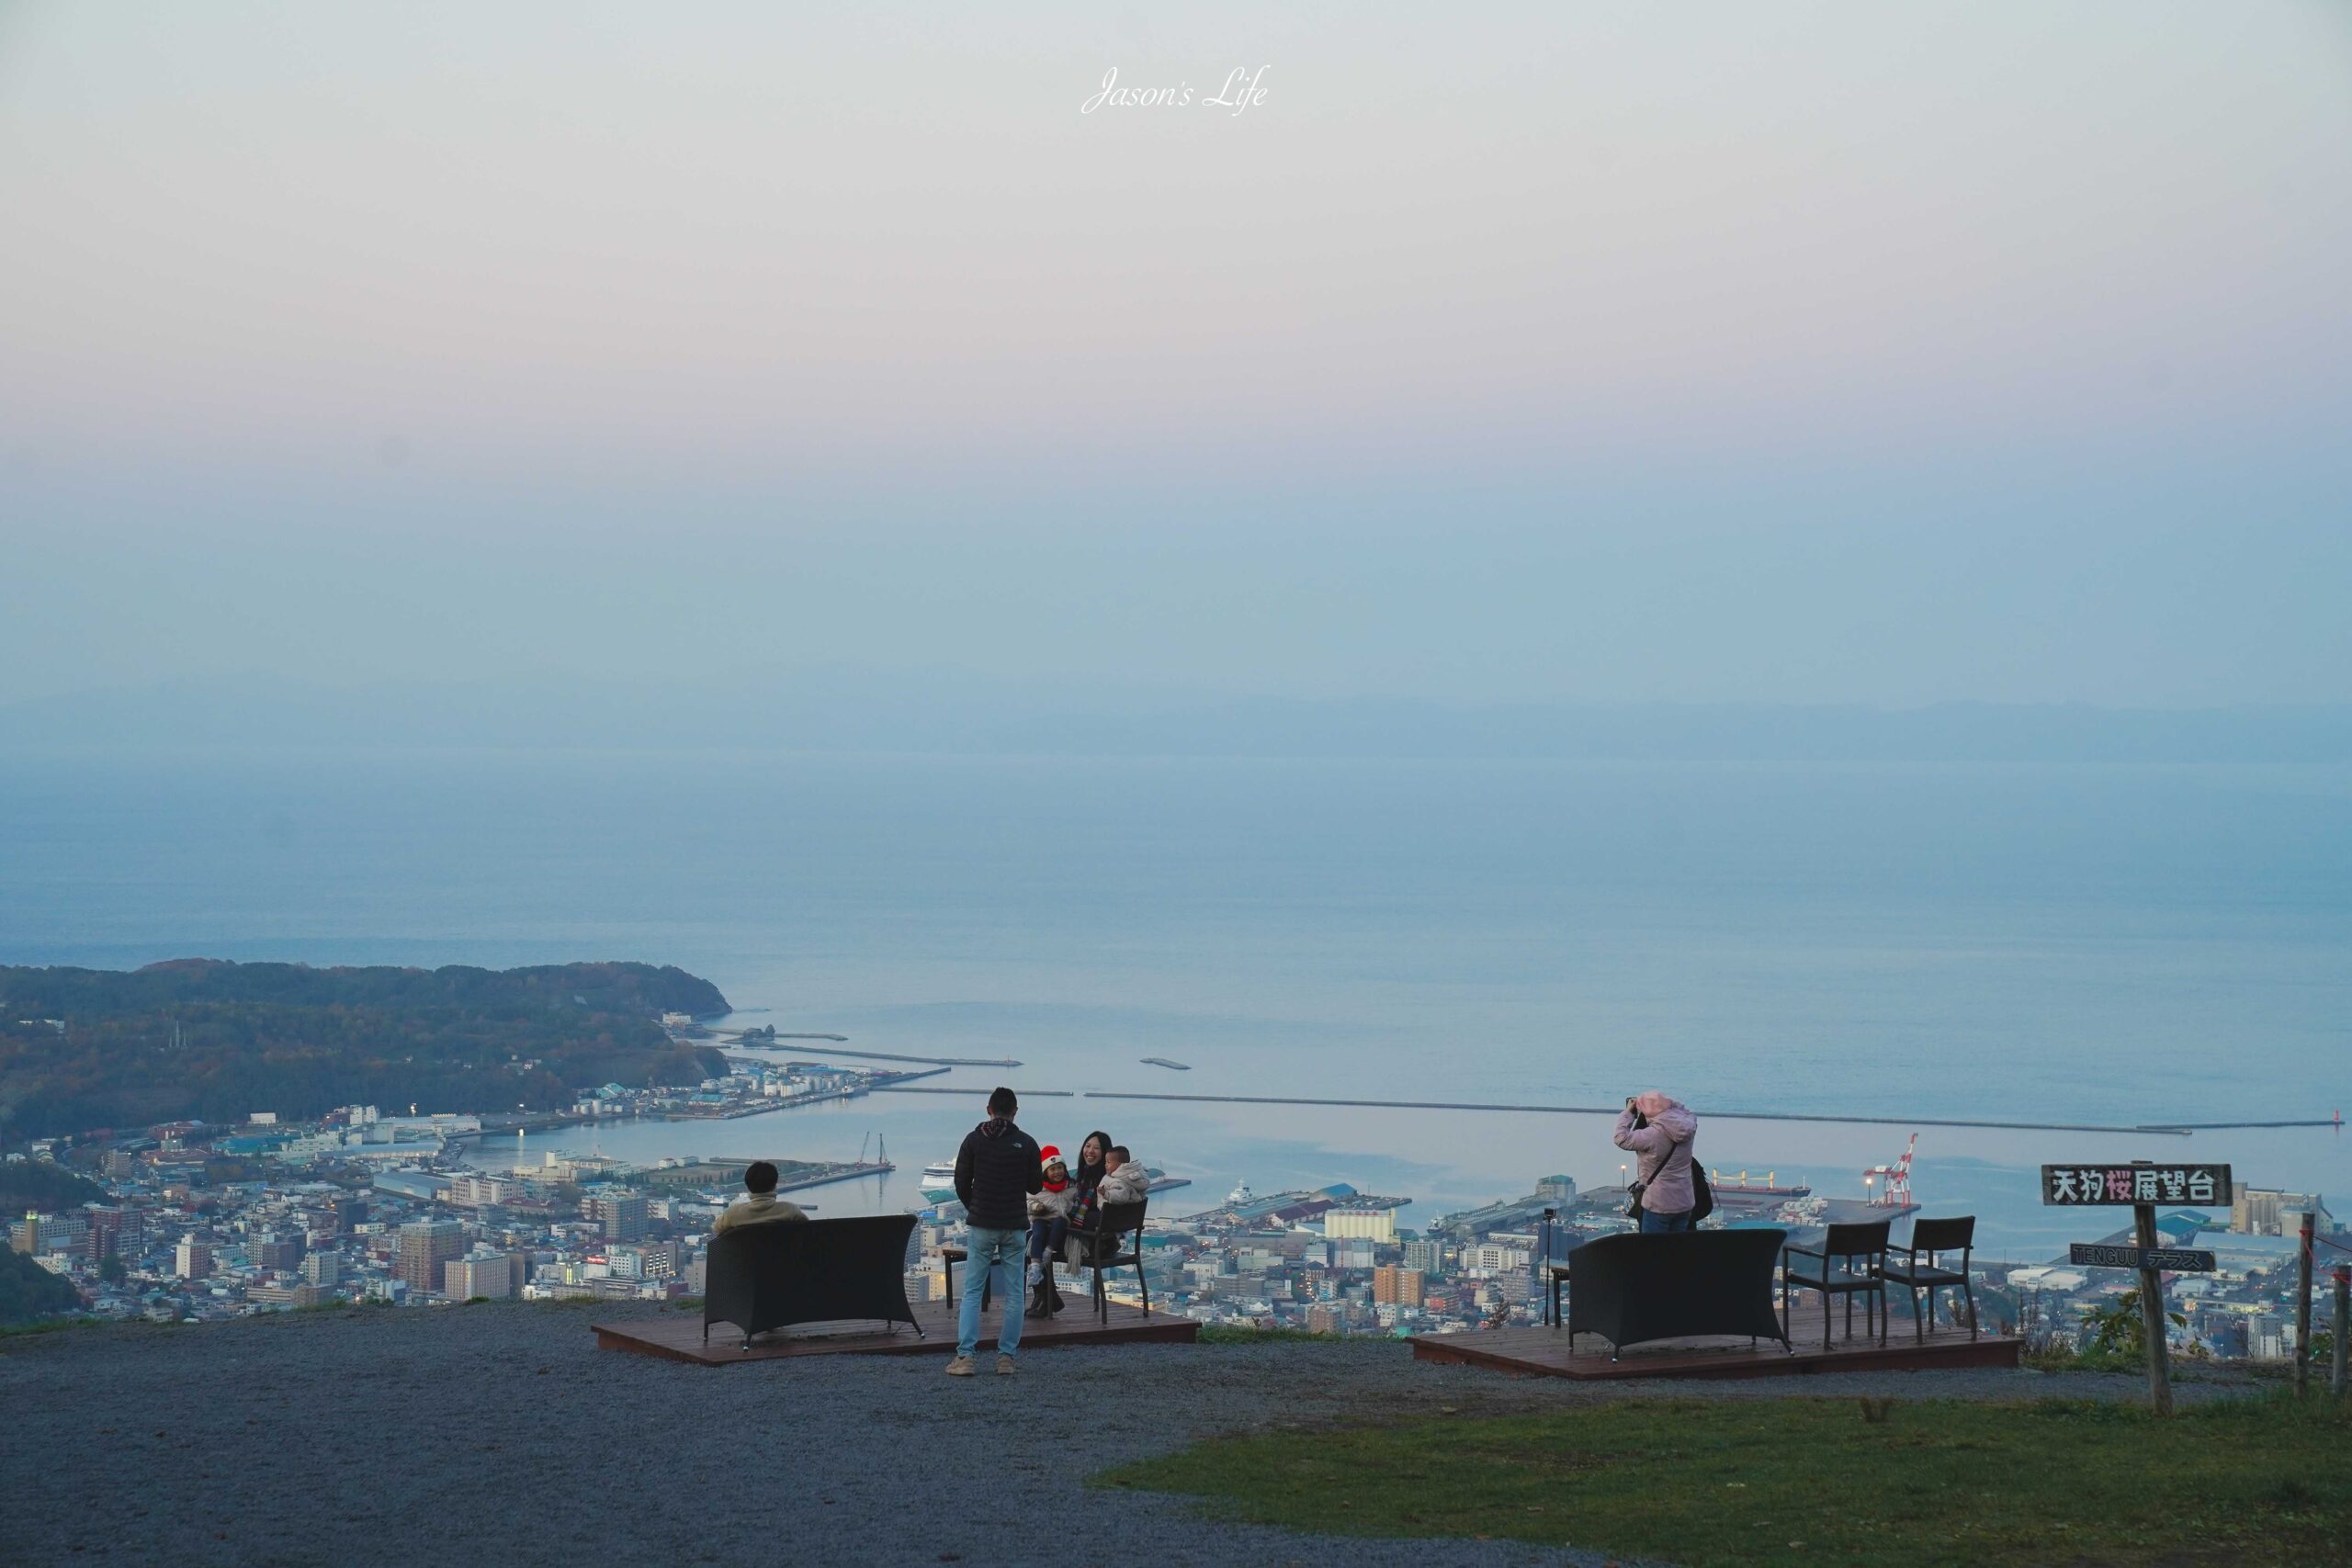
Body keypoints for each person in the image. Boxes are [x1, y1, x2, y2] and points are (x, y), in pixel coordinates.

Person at [948, 1086, 1042, 1377]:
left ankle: (965, 1358)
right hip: (1013, 1225)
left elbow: (961, 1183)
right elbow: (1035, 1186)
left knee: (973, 1291)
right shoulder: (1026, 1144)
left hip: (982, 1225)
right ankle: (1006, 1359)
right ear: (1015, 1112)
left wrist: (975, 1207)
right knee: (1015, 1294)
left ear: (988, 1109)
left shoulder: (973, 1141)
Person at [1613, 1090, 1699, 1234]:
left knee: (1653, 1251)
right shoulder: (1688, 1127)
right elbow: (1687, 1111)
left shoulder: (1651, 1135)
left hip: (1658, 1204)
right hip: (1684, 1201)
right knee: (1675, 1251)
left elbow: (1620, 1138)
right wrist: (1667, 1103)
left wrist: (1628, 1112)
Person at [1024, 1148, 1075, 1314]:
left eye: (1060, 1168)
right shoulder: (1038, 1188)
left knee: (1058, 1222)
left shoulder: (1070, 1187)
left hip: (1060, 1228)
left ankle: (1045, 1298)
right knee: (1035, 1236)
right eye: (1052, 1169)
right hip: (1041, 1220)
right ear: (1045, 1172)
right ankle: (1035, 1268)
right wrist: (1036, 1207)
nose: (1057, 1172)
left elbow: (1077, 1200)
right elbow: (1028, 1202)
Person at [709, 1160, 808, 1235]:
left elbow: (716, 1231)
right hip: (783, 1260)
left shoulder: (732, 1214)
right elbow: (809, 1230)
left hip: (746, 1261)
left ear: (747, 1186)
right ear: (775, 1184)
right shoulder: (790, 1210)